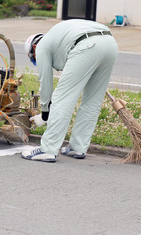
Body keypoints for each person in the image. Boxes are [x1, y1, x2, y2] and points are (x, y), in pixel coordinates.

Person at [22, 19, 118, 162]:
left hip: (86, 45)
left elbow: (45, 83)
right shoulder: (57, 38)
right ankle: (78, 148)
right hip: (110, 43)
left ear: (34, 47)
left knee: (62, 99)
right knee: (93, 101)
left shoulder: (41, 46)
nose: (37, 61)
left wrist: (45, 114)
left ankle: (47, 150)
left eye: (34, 59)